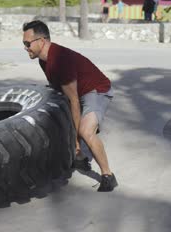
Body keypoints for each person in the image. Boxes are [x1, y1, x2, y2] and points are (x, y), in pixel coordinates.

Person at [22, 20, 118, 192]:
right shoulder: (44, 60)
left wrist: (76, 140)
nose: (25, 47)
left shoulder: (61, 61)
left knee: (85, 131)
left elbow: (73, 100)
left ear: (41, 41)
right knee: (62, 119)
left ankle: (108, 176)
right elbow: (60, 91)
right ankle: (80, 158)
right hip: (78, 93)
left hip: (97, 91)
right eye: (24, 43)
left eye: (27, 43)